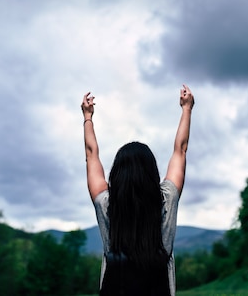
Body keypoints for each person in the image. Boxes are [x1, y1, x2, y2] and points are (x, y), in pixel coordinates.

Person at [81, 85, 195, 296]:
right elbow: (180, 150)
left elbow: (91, 155)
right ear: (152, 174)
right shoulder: (167, 200)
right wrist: (187, 109)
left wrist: (88, 117)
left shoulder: (106, 204)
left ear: (117, 175)